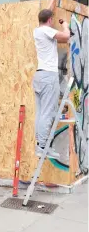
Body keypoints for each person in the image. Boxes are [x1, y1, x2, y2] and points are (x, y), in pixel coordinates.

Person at [33, 9, 70, 159]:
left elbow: (45, 14)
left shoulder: (37, 30)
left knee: (41, 112)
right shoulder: (47, 31)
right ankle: (42, 147)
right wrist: (65, 24)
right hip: (49, 76)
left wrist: (53, 1)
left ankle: (40, 145)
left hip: (39, 76)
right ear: (49, 20)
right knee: (47, 113)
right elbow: (66, 36)